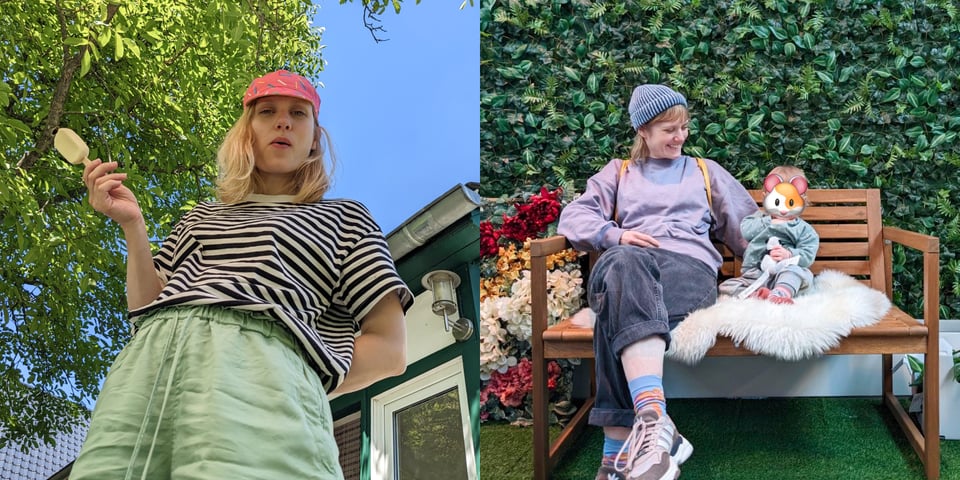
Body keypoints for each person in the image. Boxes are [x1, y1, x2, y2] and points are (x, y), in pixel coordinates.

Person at [70, 69, 412, 480]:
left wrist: (295, 371)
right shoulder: (200, 216)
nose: (283, 121)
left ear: (314, 140)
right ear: (246, 130)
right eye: (267, 111)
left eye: (298, 114)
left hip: (263, 375)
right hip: (145, 368)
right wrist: (133, 226)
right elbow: (146, 309)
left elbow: (390, 350)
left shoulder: (345, 219)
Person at [556, 84, 757, 480]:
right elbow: (573, 219)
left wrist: (776, 269)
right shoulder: (619, 173)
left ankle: (615, 456)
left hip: (687, 269)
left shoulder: (704, 171)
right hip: (628, 266)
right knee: (624, 265)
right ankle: (654, 420)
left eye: (683, 127)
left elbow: (749, 230)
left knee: (616, 309)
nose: (679, 137)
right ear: (643, 132)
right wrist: (616, 235)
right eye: (668, 130)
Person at [718, 165, 819, 304]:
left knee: (797, 273)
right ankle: (756, 295)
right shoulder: (758, 219)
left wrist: (789, 254)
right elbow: (746, 231)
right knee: (725, 287)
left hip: (786, 273)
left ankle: (780, 294)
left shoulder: (803, 229)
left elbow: (807, 255)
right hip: (755, 275)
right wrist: (770, 221)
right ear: (766, 197)